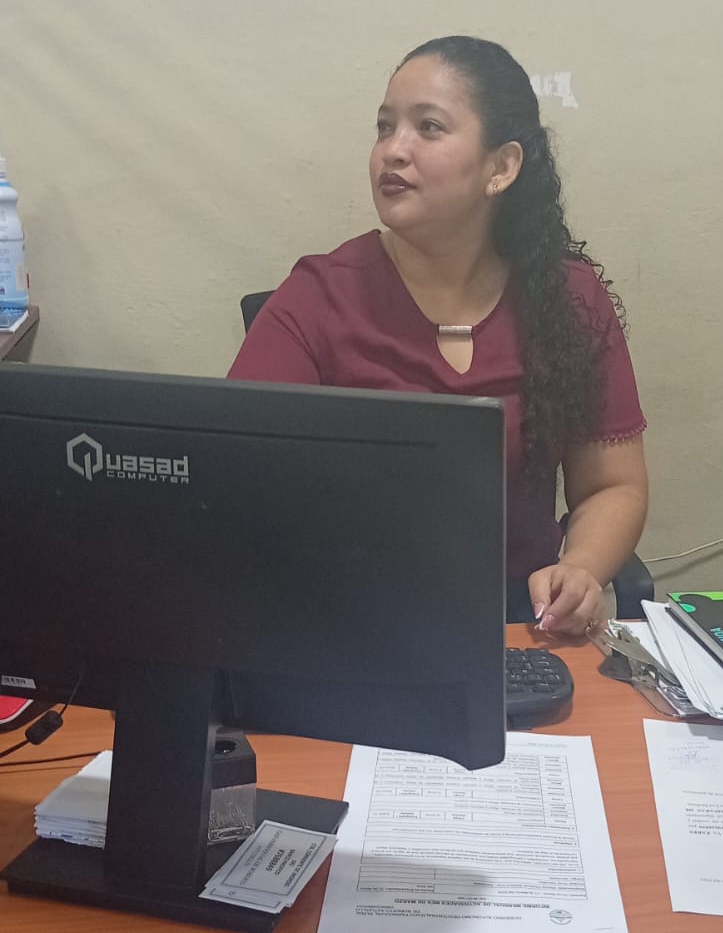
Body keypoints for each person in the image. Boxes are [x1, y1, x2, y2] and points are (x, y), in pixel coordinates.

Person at [230, 35, 647, 637]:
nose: (392, 151)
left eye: (428, 127)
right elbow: (239, 483)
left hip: (518, 625)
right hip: (347, 623)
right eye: (384, 128)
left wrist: (580, 569)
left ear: (501, 167)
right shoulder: (317, 296)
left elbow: (613, 485)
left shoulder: (569, 300)